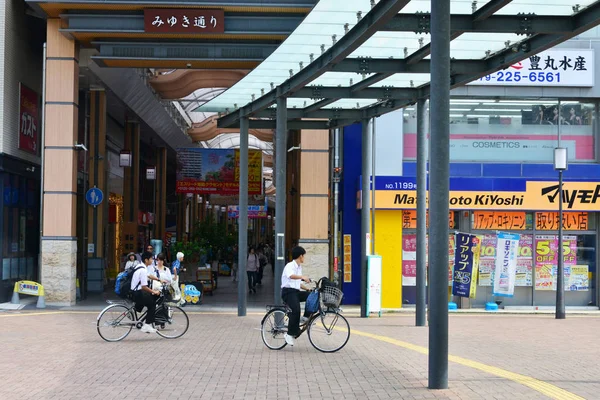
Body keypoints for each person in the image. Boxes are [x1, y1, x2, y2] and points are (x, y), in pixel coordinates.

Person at [281, 246, 312, 346]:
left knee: (311, 296)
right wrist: (303, 277)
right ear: (300, 256)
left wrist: (307, 289)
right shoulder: (290, 266)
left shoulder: (299, 267)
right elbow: (291, 276)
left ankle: (306, 317)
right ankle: (289, 334)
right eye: (304, 256)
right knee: (296, 309)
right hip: (288, 292)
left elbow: (297, 282)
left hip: (295, 291)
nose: (304, 258)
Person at [131, 251, 162, 334]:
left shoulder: (140, 266)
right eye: (151, 259)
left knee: (148, 298)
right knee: (152, 304)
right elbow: (144, 287)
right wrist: (154, 292)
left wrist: (159, 280)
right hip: (138, 293)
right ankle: (147, 325)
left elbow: (149, 276)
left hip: (134, 292)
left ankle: (137, 309)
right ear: (146, 260)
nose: (152, 261)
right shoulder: (143, 270)